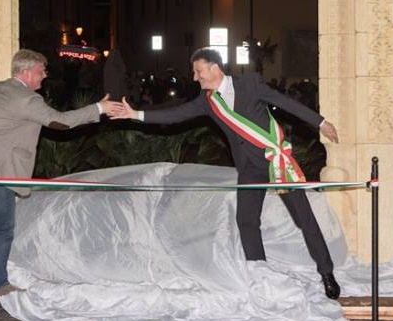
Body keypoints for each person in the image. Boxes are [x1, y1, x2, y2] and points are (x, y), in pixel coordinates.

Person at [109, 47, 343, 299]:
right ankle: (259, 274)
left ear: (213, 68)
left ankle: (326, 273)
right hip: (250, 169)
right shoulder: (208, 101)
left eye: (198, 71)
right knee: (246, 221)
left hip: (275, 161)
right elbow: (176, 115)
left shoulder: (250, 84)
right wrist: (136, 114)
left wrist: (320, 122)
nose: (195, 77)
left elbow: (285, 103)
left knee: (304, 219)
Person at [0, 48, 121, 298]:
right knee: (1, 229)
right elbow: (60, 121)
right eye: (41, 71)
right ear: (27, 71)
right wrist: (98, 108)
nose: (44, 76)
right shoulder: (27, 99)